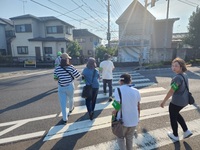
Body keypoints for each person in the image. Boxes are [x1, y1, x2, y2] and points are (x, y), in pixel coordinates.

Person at [160, 57, 193, 141]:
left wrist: (163, 102)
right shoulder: (184, 75)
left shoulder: (177, 78)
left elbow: (171, 91)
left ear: (181, 67)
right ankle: (186, 131)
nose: (173, 67)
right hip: (184, 100)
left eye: (176, 66)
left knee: (173, 117)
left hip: (177, 102)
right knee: (176, 114)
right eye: (173, 65)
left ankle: (175, 135)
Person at [113, 73, 140, 150]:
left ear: (121, 81)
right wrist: (138, 118)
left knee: (120, 137)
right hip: (134, 119)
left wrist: (114, 111)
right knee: (129, 138)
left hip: (123, 120)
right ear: (130, 81)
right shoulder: (136, 91)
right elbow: (138, 105)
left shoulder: (118, 89)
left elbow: (117, 104)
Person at [54, 53, 81, 124]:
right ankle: (71, 108)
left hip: (61, 87)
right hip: (69, 86)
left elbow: (55, 79)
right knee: (71, 98)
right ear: (67, 60)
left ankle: (64, 118)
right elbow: (78, 75)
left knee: (63, 103)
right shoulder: (71, 67)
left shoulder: (57, 68)